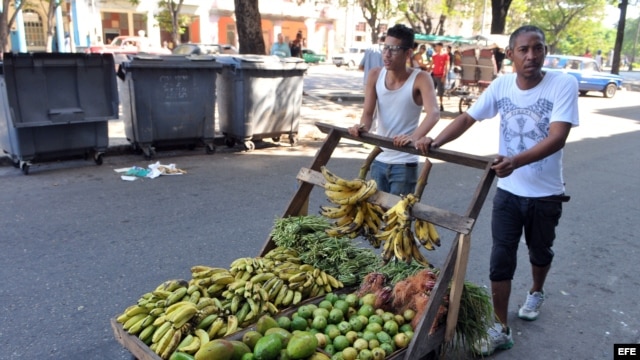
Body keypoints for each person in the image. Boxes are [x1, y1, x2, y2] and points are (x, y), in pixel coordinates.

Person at [417, 25, 579, 356]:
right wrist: (435, 140)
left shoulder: (563, 84)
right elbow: (467, 118)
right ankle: (500, 327)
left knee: (539, 251)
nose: (532, 56)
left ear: (545, 52)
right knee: (500, 259)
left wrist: (516, 160)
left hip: (546, 193)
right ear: (511, 55)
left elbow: (557, 136)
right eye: (524, 50)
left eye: (538, 48)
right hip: (508, 190)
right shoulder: (502, 85)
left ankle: (537, 289)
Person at [347, 24, 440, 195]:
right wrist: (361, 128)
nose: (387, 55)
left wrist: (413, 138)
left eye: (394, 49)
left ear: (408, 53)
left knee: (397, 220)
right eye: (385, 48)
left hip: (404, 162)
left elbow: (433, 113)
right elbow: (368, 114)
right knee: (375, 217)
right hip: (378, 158)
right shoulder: (375, 75)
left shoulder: (421, 78)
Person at [428, 42, 450, 112]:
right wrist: (427, 70)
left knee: (441, 91)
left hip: (441, 76)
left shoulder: (445, 55)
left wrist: (445, 75)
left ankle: (441, 104)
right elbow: (431, 64)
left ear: (440, 47)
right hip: (434, 75)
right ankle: (432, 105)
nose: (436, 48)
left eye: (437, 46)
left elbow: (447, 66)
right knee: (432, 90)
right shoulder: (434, 56)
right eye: (435, 47)